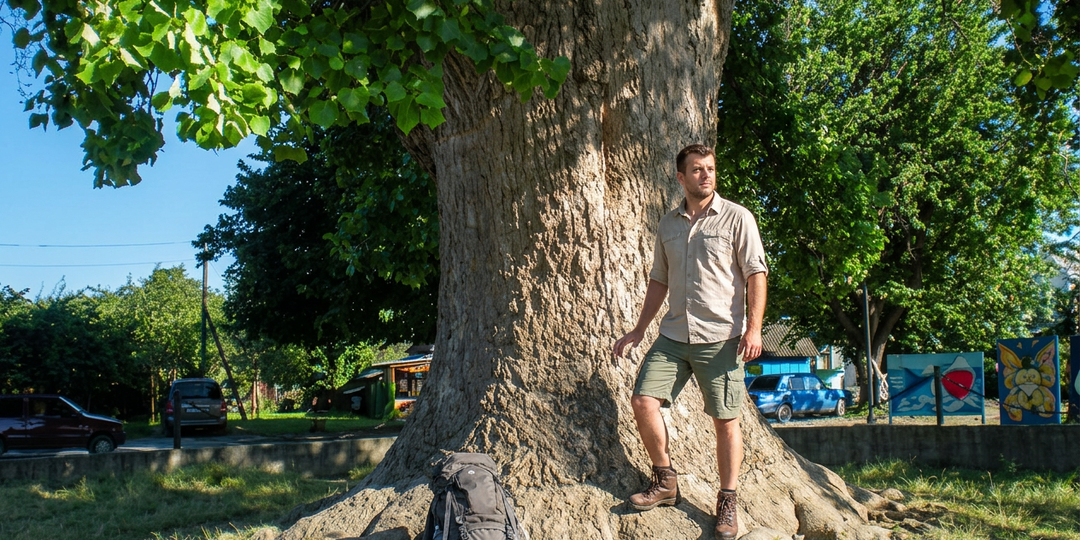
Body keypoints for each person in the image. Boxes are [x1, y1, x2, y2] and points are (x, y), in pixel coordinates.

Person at [613, 143, 768, 539]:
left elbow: (756, 275)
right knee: (643, 400)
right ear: (681, 177)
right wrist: (638, 328)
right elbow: (659, 280)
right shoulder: (668, 224)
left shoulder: (737, 218)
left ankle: (728, 500)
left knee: (725, 421)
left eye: (710, 168)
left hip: (721, 338)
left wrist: (754, 329)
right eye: (697, 169)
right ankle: (665, 480)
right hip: (673, 335)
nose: (706, 175)